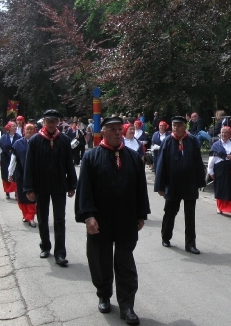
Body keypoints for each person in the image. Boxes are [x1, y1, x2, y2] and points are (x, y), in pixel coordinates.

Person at [75, 116, 150, 325]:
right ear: (104, 131)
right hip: (100, 220)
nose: (118, 133)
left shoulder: (134, 158)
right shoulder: (91, 158)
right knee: (100, 259)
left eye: (120, 129)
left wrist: (141, 214)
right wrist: (88, 216)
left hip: (126, 218)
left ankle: (127, 305)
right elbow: (85, 191)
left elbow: (140, 189)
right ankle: (104, 294)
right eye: (113, 129)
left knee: (125, 262)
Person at [24, 109, 77, 267]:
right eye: (48, 121)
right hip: (41, 186)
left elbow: (69, 163)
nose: (52, 124)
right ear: (44, 122)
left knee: (59, 219)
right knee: (42, 218)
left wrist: (72, 184)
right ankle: (45, 246)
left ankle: (60, 253)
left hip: (59, 185)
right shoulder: (35, 141)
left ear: (58, 121)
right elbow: (29, 166)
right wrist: (29, 188)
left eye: (54, 121)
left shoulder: (64, 140)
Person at [155, 116, 206, 254]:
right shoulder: (167, 142)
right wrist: (160, 186)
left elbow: (198, 162)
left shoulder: (192, 141)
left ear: (185, 127)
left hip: (189, 183)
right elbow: (161, 165)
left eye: (179, 125)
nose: (176, 128)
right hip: (173, 184)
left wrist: (200, 181)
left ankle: (190, 244)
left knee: (190, 215)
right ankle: (166, 236)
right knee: (170, 212)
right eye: (174, 125)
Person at [207, 126, 231, 218]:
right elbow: (211, 159)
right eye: (222, 132)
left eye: (226, 132)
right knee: (220, 188)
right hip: (220, 168)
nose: (223, 134)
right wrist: (210, 171)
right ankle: (220, 208)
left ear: (230, 134)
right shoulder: (215, 145)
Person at [9, 123, 37, 227]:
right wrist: (10, 173)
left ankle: (31, 217)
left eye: (31, 130)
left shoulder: (37, 142)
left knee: (32, 197)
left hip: (34, 174)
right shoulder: (18, 143)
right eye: (27, 130)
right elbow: (13, 159)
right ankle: (26, 215)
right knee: (21, 196)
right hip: (21, 174)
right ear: (24, 131)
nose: (29, 132)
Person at [0, 122, 21, 200]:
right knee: (5, 175)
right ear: (9, 128)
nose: (15, 127)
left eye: (15, 126)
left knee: (16, 175)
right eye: (13, 126)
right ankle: (7, 192)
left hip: (16, 159)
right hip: (5, 159)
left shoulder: (19, 137)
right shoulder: (3, 138)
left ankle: (16, 192)